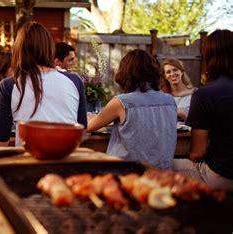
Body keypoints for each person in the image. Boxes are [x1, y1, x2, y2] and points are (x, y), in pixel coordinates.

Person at [0, 21, 87, 146]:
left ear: (19, 50)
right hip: (66, 162)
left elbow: (1, 144)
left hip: (28, 162)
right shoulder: (74, 81)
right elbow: (82, 133)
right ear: (49, 48)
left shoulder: (9, 86)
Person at [86, 49, 177, 169]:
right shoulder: (170, 100)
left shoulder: (121, 102)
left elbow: (88, 127)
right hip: (162, 173)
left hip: (126, 174)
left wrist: (91, 117)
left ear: (125, 73)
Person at [173, 29, 233, 191]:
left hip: (223, 176)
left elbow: (197, 153)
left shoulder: (204, 94)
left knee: (165, 164)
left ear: (208, 57)